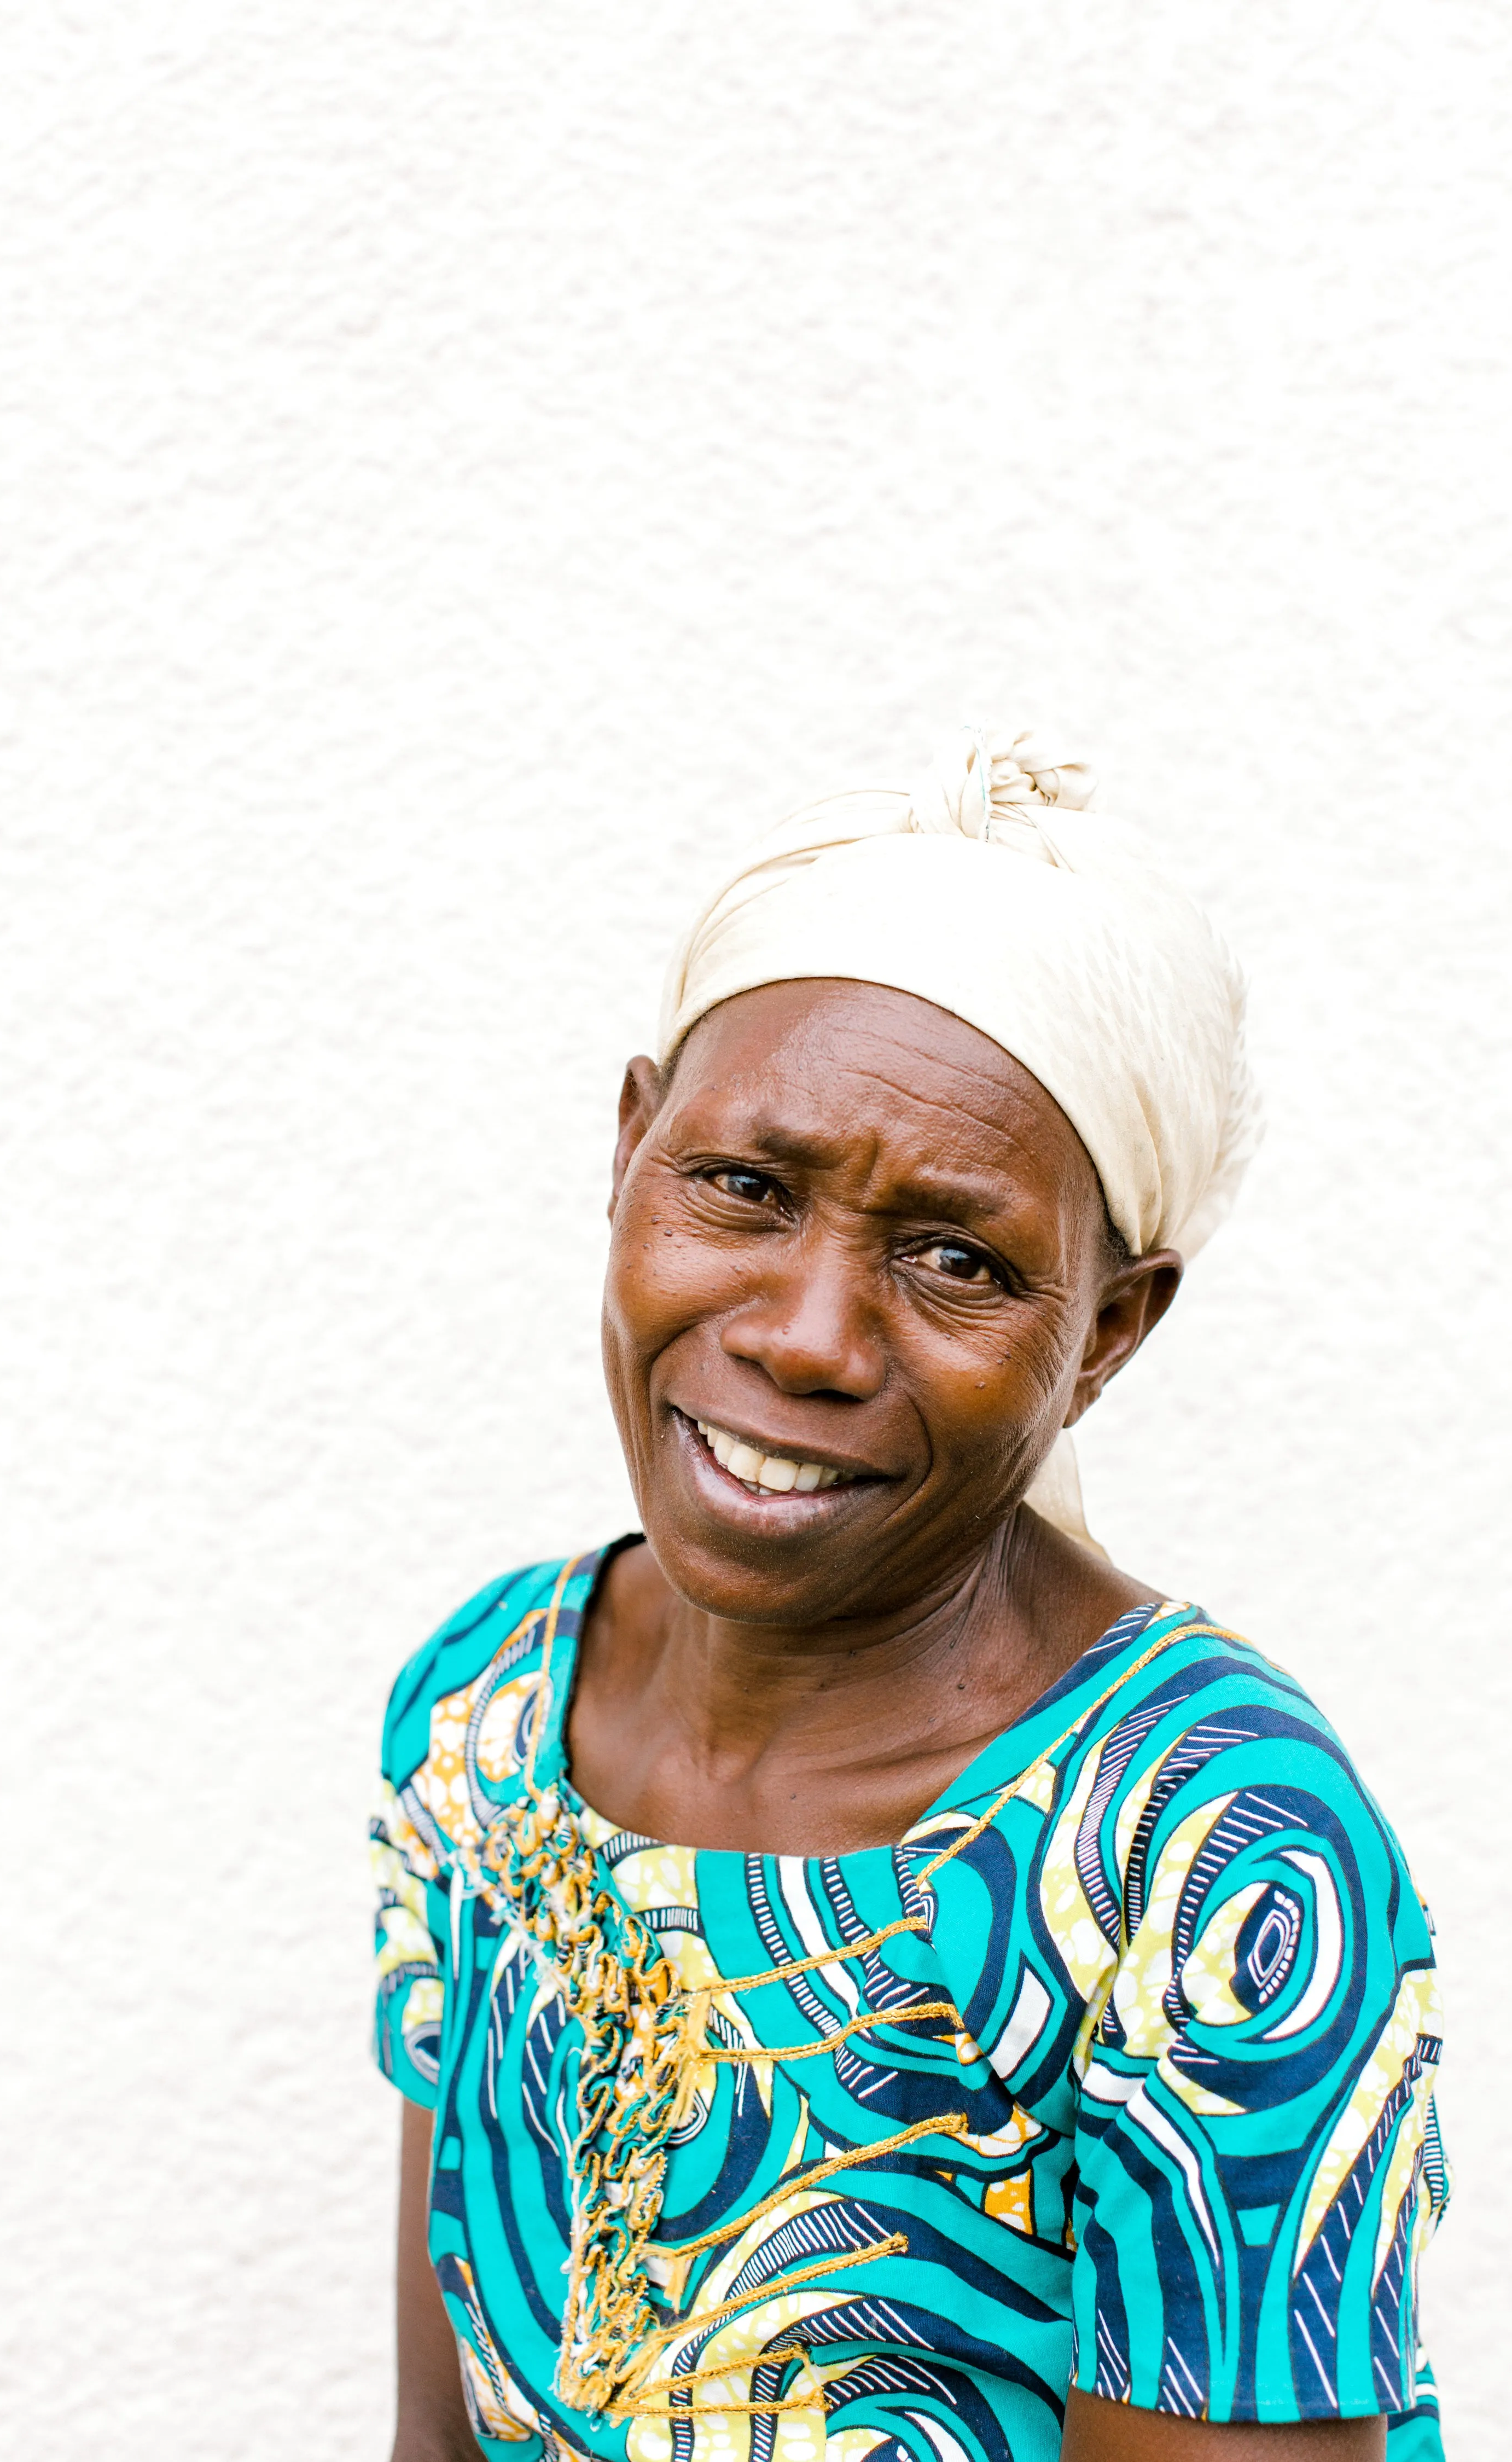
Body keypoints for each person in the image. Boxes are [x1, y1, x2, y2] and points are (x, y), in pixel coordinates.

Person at [371, 726, 1447, 2461]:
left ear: (1106, 1329)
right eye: (744, 1187)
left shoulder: (1199, 1854)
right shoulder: (488, 1715)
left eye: (958, 1257)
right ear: (633, 1145)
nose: (806, 1333)